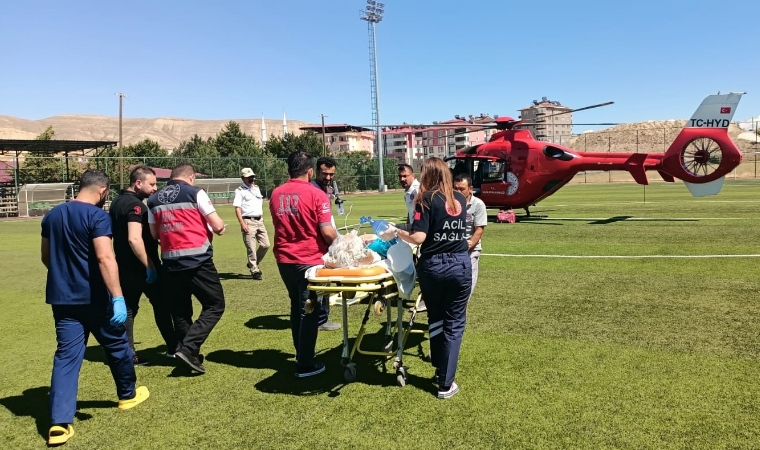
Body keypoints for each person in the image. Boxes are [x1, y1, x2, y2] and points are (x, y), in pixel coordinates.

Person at [41, 169, 149, 446]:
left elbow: (46, 258)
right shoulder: (98, 216)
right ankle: (127, 395)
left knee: (66, 357)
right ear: (102, 191)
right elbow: (105, 258)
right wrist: (118, 297)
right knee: (117, 346)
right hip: (96, 299)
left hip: (62, 299)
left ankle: (59, 424)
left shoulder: (52, 216)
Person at [382, 157, 472, 399]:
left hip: (433, 266)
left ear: (430, 175)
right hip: (459, 264)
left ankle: (441, 372)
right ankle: (445, 381)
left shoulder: (426, 199)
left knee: (436, 318)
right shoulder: (460, 198)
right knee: (454, 324)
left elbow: (420, 237)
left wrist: (396, 231)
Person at [147, 163, 226, 374]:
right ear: (191, 177)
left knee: (180, 312)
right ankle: (189, 348)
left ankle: (188, 355)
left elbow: (155, 235)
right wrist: (218, 228)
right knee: (215, 305)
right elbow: (217, 226)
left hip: (170, 262)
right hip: (198, 260)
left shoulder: (153, 199)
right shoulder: (195, 192)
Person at [270, 151, 338, 378]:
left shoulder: (276, 194)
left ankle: (301, 354)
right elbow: (327, 231)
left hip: (284, 261)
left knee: (296, 308)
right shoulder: (317, 195)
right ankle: (306, 364)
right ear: (310, 171)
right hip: (309, 261)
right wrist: (345, 245)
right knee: (309, 312)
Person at [110, 165, 177, 365]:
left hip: (124, 266)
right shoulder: (136, 206)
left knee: (130, 309)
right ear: (138, 183)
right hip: (141, 267)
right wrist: (150, 266)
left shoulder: (117, 202)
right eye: (152, 184)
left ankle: (128, 353)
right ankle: (173, 348)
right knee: (162, 305)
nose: (155, 188)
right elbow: (134, 239)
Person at [309, 156, 342, 332]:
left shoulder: (325, 189)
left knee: (325, 284)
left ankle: (321, 317)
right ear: (316, 171)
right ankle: (319, 319)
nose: (328, 177)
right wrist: (338, 242)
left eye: (331, 174)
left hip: (326, 241)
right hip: (319, 244)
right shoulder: (313, 190)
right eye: (325, 173)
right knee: (321, 284)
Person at [453, 173, 488, 300]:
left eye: (461, 189)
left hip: (470, 250)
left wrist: (466, 247)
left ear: (470, 189)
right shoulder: (450, 204)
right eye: (455, 188)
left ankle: (459, 318)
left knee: (466, 289)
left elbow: (479, 231)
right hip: (453, 250)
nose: (458, 192)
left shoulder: (478, 204)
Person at [233, 167, 270, 280]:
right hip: (248, 221)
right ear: (243, 178)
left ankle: (252, 263)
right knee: (251, 248)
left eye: (252, 177)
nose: (251, 179)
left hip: (260, 221)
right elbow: (237, 208)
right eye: (249, 178)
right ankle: (255, 270)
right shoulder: (239, 191)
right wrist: (242, 223)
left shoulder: (256, 188)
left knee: (265, 244)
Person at [397, 163, 421, 228]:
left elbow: (420, 212)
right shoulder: (409, 191)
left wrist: (416, 225)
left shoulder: (417, 190)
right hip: (415, 229)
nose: (402, 179)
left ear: (413, 175)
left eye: (405, 176)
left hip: (420, 230)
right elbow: (410, 212)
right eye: (400, 176)